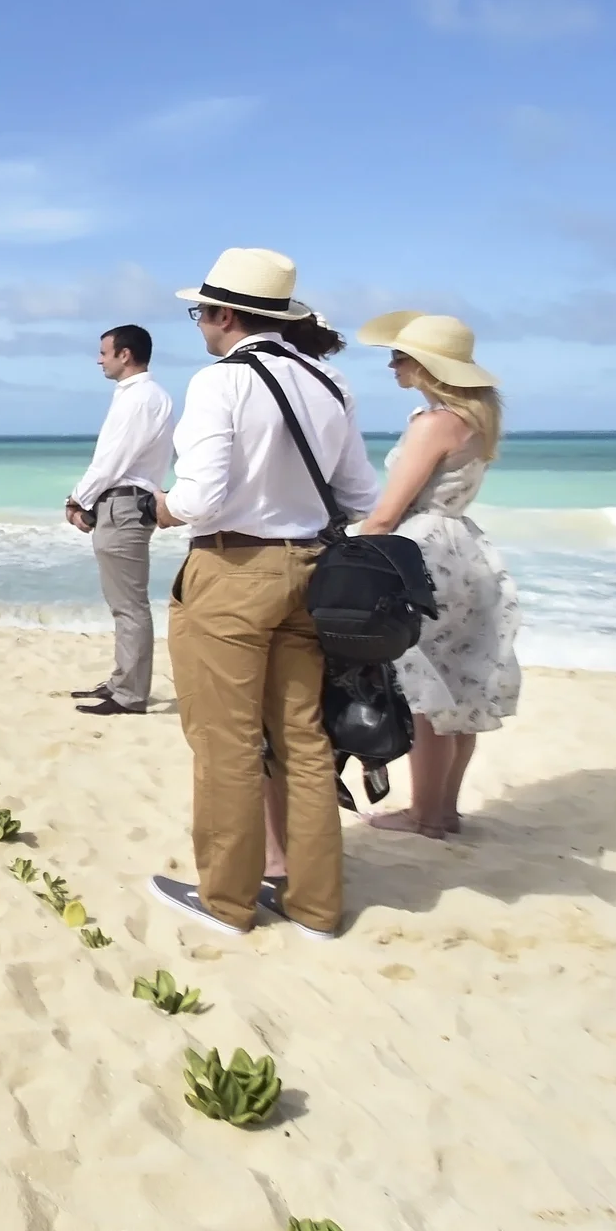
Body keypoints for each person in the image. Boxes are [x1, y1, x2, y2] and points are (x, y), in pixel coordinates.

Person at [149, 248, 378, 940]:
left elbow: (200, 497)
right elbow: (362, 493)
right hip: (310, 569)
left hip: (231, 570)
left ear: (223, 314)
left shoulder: (220, 382)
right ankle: (315, 905)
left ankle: (225, 898)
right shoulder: (330, 380)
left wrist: (158, 506)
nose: (201, 326)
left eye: (202, 314)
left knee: (226, 742)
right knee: (302, 740)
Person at [354, 312, 520, 838]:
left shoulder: (431, 424)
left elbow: (387, 513)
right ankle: (445, 810)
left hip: (422, 550)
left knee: (421, 690)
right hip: (465, 551)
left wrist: (347, 555)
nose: (391, 364)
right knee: (459, 685)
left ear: (427, 366)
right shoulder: (475, 421)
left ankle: (423, 813)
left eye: (400, 357)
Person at [65, 324, 174, 716]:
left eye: (104, 352)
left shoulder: (141, 397)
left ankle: (129, 694)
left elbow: (113, 460)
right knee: (123, 603)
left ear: (124, 354)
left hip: (125, 503)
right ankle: (121, 681)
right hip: (123, 502)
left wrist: (78, 496)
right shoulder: (140, 396)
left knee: (129, 605)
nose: (99, 359)